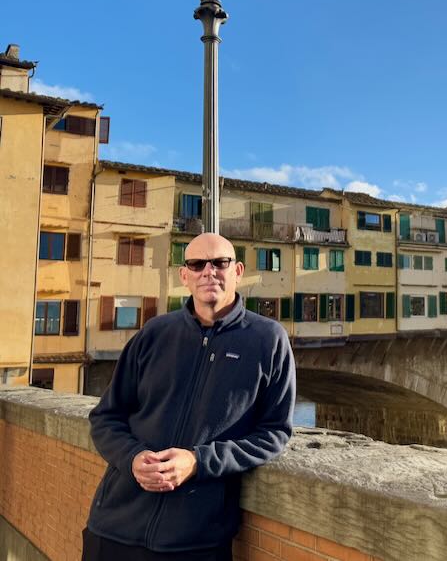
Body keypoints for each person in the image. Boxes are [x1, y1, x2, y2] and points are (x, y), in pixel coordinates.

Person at [83, 233, 296, 560]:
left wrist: (199, 462)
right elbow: (106, 417)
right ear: (184, 276)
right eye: (197, 264)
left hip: (196, 542)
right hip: (113, 529)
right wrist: (133, 458)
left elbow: (275, 432)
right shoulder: (154, 334)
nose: (208, 271)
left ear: (238, 271)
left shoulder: (268, 340)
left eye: (219, 263)